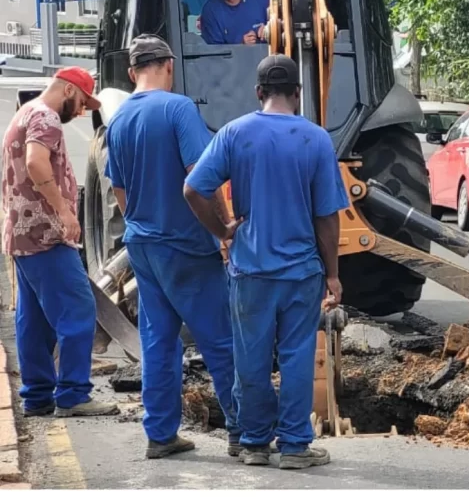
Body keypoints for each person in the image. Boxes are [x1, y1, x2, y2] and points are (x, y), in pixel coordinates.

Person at [183, 54, 345, 470]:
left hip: (250, 272)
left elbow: (194, 189)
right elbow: (327, 217)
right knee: (296, 356)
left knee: (251, 358)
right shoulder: (316, 139)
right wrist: (332, 274)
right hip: (301, 272)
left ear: (258, 92)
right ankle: (294, 447)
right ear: (297, 93)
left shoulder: (235, 133)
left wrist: (223, 231)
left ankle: (254, 443)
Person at [103, 34, 241, 459]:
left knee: (158, 342)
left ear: (132, 73)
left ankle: (160, 434)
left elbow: (120, 191)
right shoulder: (178, 108)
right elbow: (201, 178)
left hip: (143, 247)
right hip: (186, 245)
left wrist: (142, 223)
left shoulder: (119, 119)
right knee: (220, 339)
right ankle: (245, 430)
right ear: (170, 66)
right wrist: (224, 230)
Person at [1, 67, 119, 419]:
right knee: (78, 310)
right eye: (82, 102)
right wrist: (65, 212)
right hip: (46, 235)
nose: (81, 111)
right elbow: (36, 163)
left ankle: (37, 396)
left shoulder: (24, 112)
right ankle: (73, 394)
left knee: (34, 320)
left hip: (22, 234)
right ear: (68, 90)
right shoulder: (46, 118)